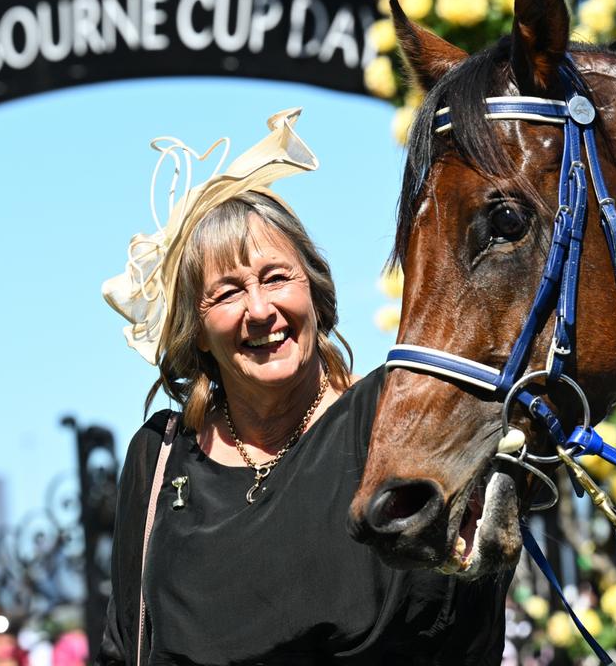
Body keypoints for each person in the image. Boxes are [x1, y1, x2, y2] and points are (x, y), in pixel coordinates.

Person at [97, 109, 506, 665]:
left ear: (314, 291)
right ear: (197, 332)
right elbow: (123, 649)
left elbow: (462, 621)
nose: (260, 310)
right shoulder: (159, 457)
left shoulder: (396, 419)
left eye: (275, 277)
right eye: (227, 293)